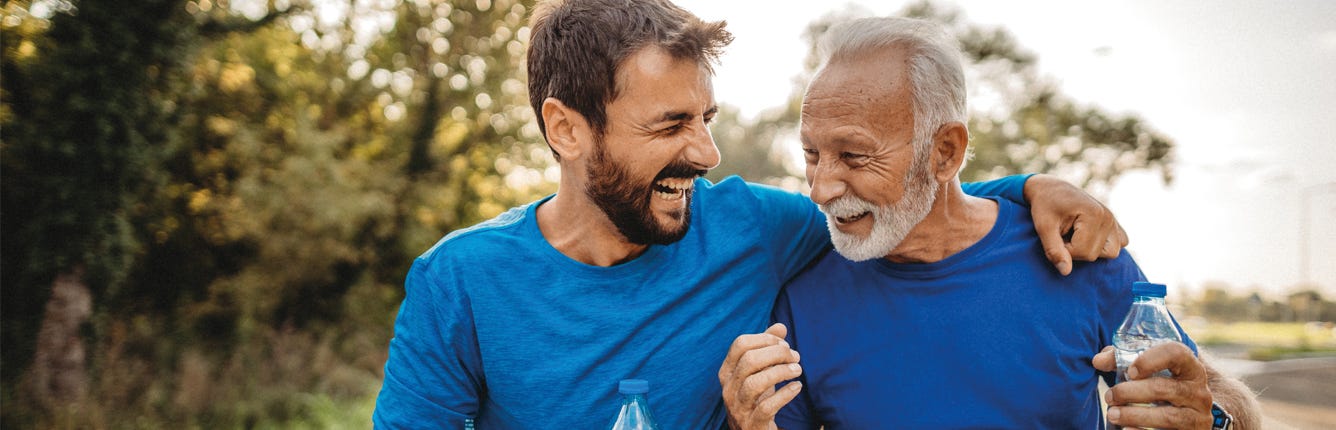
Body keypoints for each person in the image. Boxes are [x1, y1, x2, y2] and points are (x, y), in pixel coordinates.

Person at [371, 1, 1130, 428]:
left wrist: (1030, 188)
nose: (706, 153)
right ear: (567, 129)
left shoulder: (757, 231)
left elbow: (904, 198)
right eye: (671, 125)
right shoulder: (459, 283)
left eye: (708, 117)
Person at [717, 16, 1260, 430]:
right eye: (812, 153)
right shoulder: (802, 302)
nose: (820, 188)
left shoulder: (1075, 253)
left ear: (946, 153)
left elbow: (1210, 394)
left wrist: (1213, 418)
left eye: (855, 157)